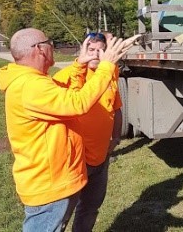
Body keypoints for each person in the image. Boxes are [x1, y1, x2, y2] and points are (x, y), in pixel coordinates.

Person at [0, 28, 139, 232]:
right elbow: (78, 103)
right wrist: (107, 66)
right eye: (50, 42)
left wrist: (80, 64)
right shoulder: (31, 86)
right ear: (40, 49)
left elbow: (66, 91)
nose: (53, 47)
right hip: (49, 185)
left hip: (55, 178)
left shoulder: (33, 80)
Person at [52, 32, 124, 232]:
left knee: (90, 208)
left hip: (101, 156)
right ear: (82, 50)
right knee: (62, 213)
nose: (95, 54)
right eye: (91, 49)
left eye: (100, 50)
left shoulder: (110, 72)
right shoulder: (66, 76)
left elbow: (116, 107)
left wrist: (116, 138)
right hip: (76, 159)